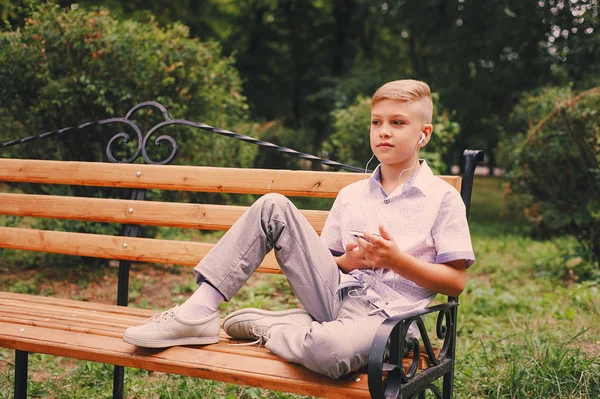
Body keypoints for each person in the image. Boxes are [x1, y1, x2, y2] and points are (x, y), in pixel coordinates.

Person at [123, 79, 475, 379]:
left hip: (389, 320)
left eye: (397, 123)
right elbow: (328, 261)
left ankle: (275, 328)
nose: (383, 131)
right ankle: (198, 312)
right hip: (334, 295)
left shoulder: (442, 198)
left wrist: (396, 260)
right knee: (272, 205)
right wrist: (349, 262)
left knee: (329, 350)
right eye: (376, 122)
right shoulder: (351, 195)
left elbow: (455, 281)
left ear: (423, 134)